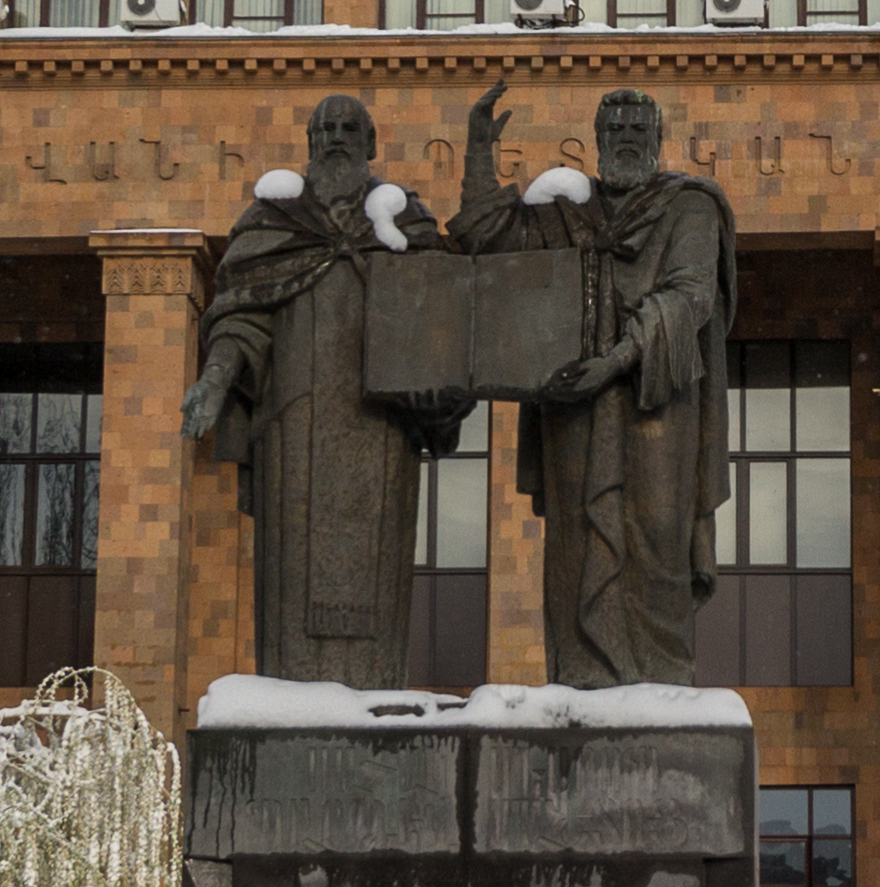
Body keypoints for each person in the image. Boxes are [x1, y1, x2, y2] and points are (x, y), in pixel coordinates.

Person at [451, 82, 735, 688]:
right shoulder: (567, 212)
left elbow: (689, 297)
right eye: (616, 130)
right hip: (576, 415)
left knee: (658, 541)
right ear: (598, 141)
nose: (627, 139)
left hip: (659, 403)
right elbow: (486, 242)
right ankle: (583, 684)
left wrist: (615, 361)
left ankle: (660, 688)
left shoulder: (689, 208)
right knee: (578, 546)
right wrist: (478, 154)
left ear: (656, 141)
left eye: (639, 130)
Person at [186, 94, 464, 686]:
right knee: (293, 568)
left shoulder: (405, 224)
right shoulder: (273, 223)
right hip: (294, 422)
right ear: (310, 143)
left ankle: (371, 685)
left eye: (349, 129)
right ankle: (294, 691)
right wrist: (215, 377)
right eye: (326, 129)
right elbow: (242, 311)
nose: (337, 138)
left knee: (375, 560)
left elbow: (441, 314)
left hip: (379, 427)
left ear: (370, 145)